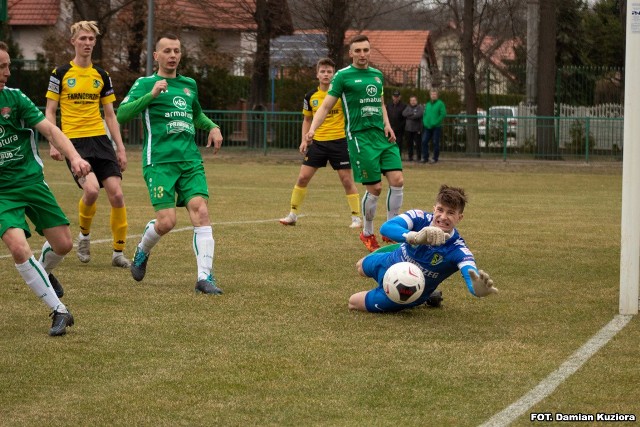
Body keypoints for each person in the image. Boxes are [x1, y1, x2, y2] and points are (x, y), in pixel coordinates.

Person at [116, 33, 224, 295]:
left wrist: (212, 126)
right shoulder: (145, 83)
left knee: (201, 211)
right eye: (167, 51)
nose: (172, 56)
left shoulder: (189, 84)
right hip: (159, 162)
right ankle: (142, 250)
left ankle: (204, 278)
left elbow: (195, 114)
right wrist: (151, 95)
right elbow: (122, 114)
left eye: (176, 51)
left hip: (189, 160)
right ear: (156, 56)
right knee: (167, 222)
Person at [0, 41, 92, 335]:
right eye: (2, 66)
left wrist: (74, 156)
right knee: (17, 246)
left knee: (64, 244)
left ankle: (45, 271)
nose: (7, 71)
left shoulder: (14, 99)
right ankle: (59, 311)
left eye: (8, 64)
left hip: (31, 182)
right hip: (2, 193)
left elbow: (51, 130)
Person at [306, 34, 404, 253]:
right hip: (359, 138)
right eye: (357, 51)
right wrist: (313, 129)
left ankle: (390, 229)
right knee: (376, 188)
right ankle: (367, 232)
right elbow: (324, 107)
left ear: (370, 52)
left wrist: (387, 124)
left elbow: (380, 104)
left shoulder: (377, 75)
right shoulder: (342, 76)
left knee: (397, 179)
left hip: (381, 135)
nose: (362, 55)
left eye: (366, 50)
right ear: (350, 53)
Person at [45, 20, 131, 268]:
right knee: (92, 190)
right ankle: (84, 236)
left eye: (91, 39)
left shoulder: (101, 75)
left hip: (100, 141)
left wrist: (121, 148)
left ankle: (118, 253)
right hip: (74, 142)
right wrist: (54, 142)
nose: (87, 43)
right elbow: (50, 112)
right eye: (82, 38)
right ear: (73, 41)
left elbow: (110, 115)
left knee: (117, 194)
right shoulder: (60, 74)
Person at [348, 185, 498, 313]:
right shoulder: (419, 217)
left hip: (406, 292)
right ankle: (430, 294)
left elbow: (470, 274)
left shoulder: (458, 250)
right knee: (360, 266)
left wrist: (477, 290)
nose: (443, 217)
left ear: (460, 217)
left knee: (353, 302)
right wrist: (414, 237)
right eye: (440, 210)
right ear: (434, 209)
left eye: (451, 213)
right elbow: (386, 228)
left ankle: (425, 297)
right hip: (388, 262)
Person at [279, 58, 361, 228]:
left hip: (340, 142)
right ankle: (293, 214)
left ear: (334, 75)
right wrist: (304, 139)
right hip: (318, 143)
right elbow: (307, 119)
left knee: (346, 180)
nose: (326, 74)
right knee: (302, 177)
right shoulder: (310, 96)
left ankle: (356, 218)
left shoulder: (341, 95)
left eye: (329, 71)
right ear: (317, 74)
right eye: (323, 71)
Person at [421, 89, 446, 164]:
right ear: (430, 95)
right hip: (427, 127)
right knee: (424, 141)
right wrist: (425, 122)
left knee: (435, 142)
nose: (433, 96)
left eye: (434, 94)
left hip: (436, 127)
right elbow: (425, 114)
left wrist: (436, 122)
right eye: (432, 94)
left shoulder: (440, 104)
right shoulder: (428, 104)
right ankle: (425, 157)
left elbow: (443, 114)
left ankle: (435, 158)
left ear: (437, 95)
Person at [402, 95, 423, 162]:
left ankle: (418, 157)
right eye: (411, 100)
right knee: (409, 144)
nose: (413, 102)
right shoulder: (408, 107)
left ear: (416, 101)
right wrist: (412, 113)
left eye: (414, 100)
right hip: (408, 129)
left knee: (418, 144)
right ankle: (410, 157)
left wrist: (409, 116)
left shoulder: (420, 107)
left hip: (417, 129)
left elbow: (418, 115)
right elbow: (404, 114)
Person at [386, 90, 405, 158]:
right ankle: (389, 156)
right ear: (392, 97)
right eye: (394, 96)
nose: (396, 98)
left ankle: (398, 157)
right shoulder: (389, 105)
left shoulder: (403, 106)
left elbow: (404, 118)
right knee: (389, 143)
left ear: (400, 97)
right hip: (390, 128)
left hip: (399, 129)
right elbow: (386, 116)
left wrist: (400, 127)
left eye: (397, 96)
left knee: (399, 144)